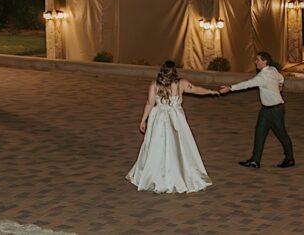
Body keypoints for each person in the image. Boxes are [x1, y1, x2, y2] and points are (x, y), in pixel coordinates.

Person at [126, 60, 220, 193]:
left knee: (157, 146)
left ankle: (155, 174)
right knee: (179, 146)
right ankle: (178, 173)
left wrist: (143, 120)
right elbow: (196, 89)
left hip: (159, 120)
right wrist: (210, 91)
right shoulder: (181, 83)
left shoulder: (155, 85)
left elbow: (149, 103)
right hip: (176, 120)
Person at [219, 51, 295, 169]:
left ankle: (289, 159)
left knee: (281, 134)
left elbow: (248, 84)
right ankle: (255, 161)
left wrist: (230, 88)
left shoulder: (263, 76)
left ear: (264, 62)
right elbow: (281, 78)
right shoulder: (273, 69)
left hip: (275, 110)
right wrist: (280, 87)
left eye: (258, 60)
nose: (256, 62)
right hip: (266, 110)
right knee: (259, 133)